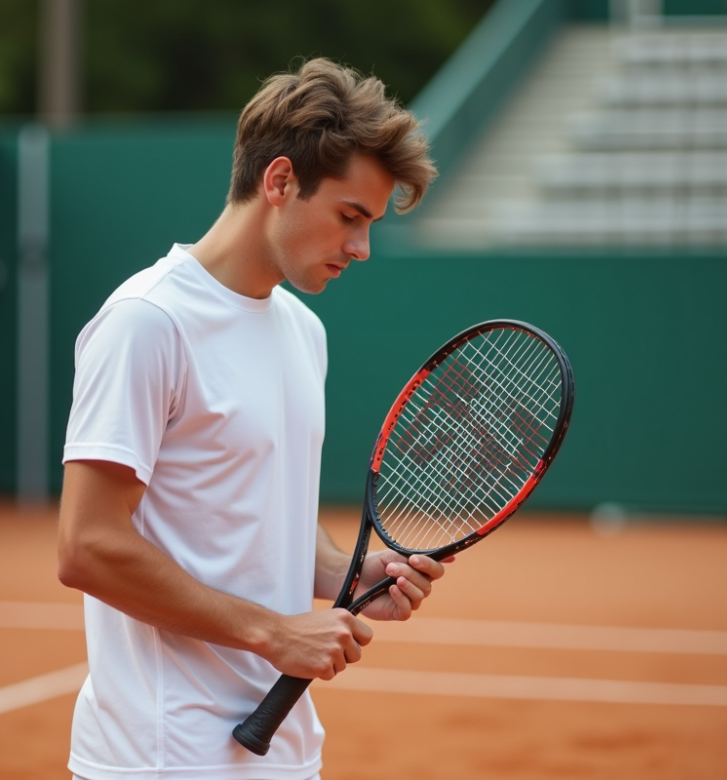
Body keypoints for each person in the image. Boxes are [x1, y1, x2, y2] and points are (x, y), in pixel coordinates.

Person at [57, 57, 441, 780]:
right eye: (349, 217)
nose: (360, 248)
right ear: (279, 182)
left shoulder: (304, 332)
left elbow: (257, 520)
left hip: (282, 752)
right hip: (162, 758)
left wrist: (345, 573)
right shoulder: (147, 323)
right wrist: (274, 635)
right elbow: (87, 546)